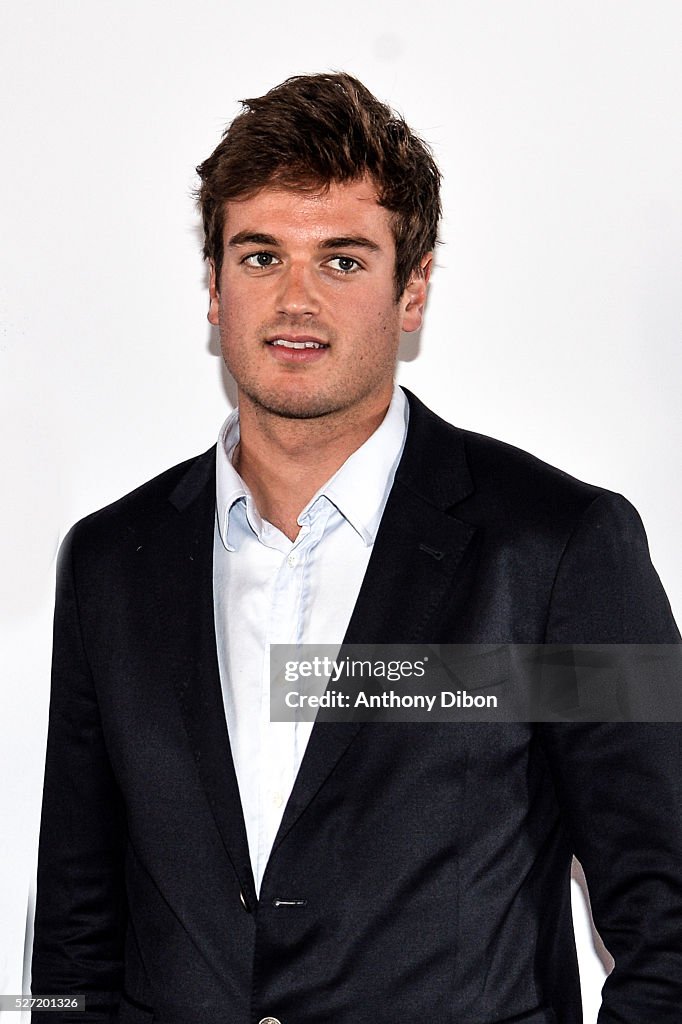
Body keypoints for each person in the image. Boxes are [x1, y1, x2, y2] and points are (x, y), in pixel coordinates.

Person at [31, 72, 681, 1024]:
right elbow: (76, 939)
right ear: (213, 287)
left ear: (410, 290)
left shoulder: (557, 550)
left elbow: (670, 908)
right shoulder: (110, 563)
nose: (295, 299)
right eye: (259, 257)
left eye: (341, 260)